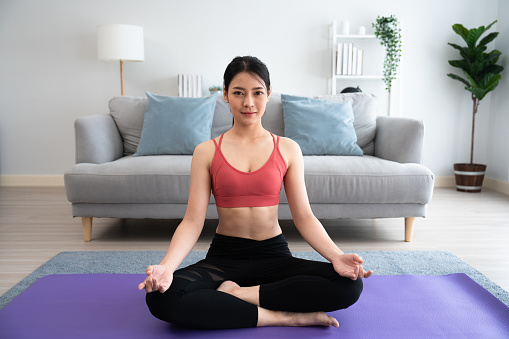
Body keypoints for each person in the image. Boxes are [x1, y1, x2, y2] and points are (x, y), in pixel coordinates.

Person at [138, 56, 373, 329]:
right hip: (225, 259)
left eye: (257, 92)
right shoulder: (206, 151)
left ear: (269, 95)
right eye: (238, 93)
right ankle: (284, 317)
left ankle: (236, 295)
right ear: (225, 95)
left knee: (349, 286)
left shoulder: (288, 149)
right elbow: (192, 221)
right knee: (160, 298)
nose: (248, 102)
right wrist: (167, 267)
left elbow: (305, 217)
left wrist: (336, 256)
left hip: (275, 256)